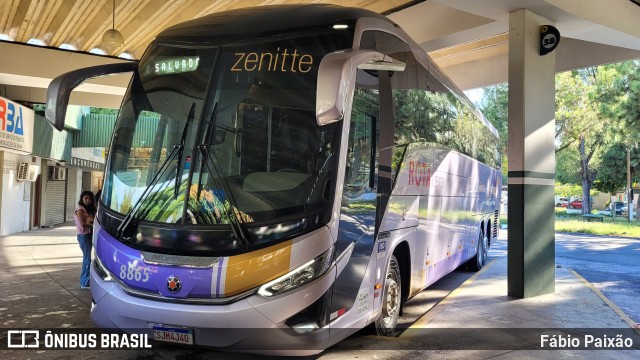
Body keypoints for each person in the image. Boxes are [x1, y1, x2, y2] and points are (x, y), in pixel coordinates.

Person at [74, 190, 96, 289]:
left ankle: (86, 280)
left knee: (87, 257)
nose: (88, 200)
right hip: (83, 235)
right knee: (87, 258)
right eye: (85, 198)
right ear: (82, 198)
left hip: (88, 235)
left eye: (90, 199)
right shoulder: (80, 209)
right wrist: (94, 225)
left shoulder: (89, 209)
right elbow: (83, 223)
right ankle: (85, 282)